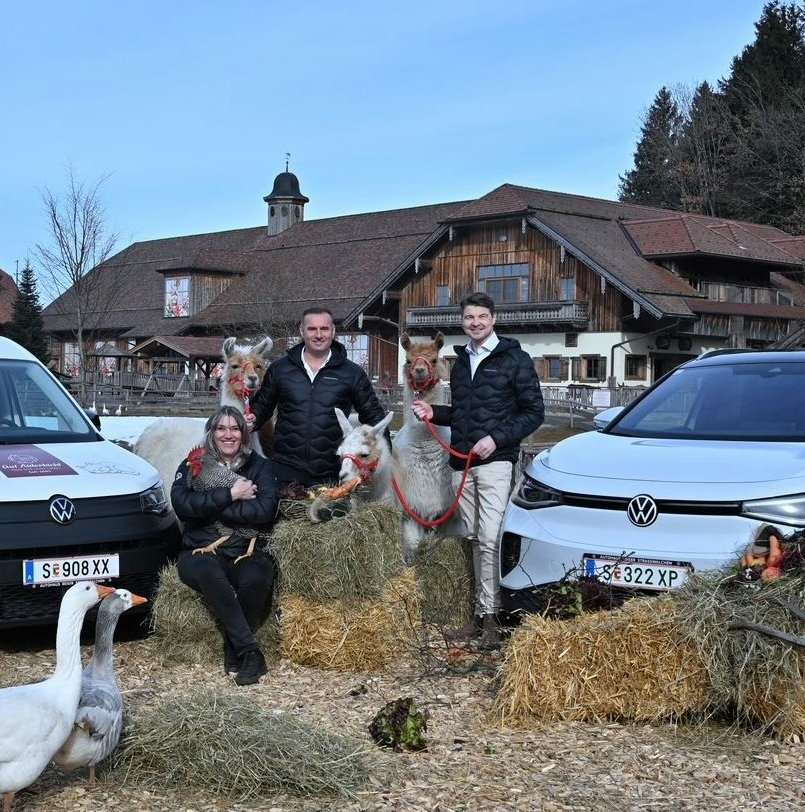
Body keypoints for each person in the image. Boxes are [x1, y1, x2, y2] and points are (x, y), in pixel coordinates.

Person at [410, 292, 544, 650]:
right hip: (463, 464)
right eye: (470, 318)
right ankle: (479, 617)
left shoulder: (515, 360)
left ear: (494, 319)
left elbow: (534, 412)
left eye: (482, 317)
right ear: (463, 322)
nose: (476, 323)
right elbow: (462, 415)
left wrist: (496, 439)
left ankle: (493, 621)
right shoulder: (461, 362)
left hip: (495, 462)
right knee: (472, 540)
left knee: (490, 538)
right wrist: (433, 414)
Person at [170, 405, 282, 684]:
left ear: (243, 433)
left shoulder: (260, 466)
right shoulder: (193, 464)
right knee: (209, 573)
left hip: (246, 548)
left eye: (234, 428)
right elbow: (183, 506)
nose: (228, 434)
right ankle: (249, 651)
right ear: (211, 433)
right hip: (200, 549)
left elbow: (266, 510)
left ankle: (233, 647)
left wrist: (212, 507)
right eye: (221, 428)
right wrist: (230, 495)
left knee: (258, 576)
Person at [249, 307, 388, 489]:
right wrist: (254, 418)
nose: (318, 335)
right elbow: (262, 405)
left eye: (324, 329)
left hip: (330, 473)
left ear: (333, 331)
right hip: (285, 470)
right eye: (312, 329)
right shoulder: (280, 369)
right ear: (301, 331)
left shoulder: (351, 373)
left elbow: (373, 414)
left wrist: (387, 455)